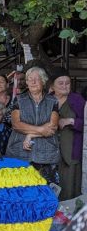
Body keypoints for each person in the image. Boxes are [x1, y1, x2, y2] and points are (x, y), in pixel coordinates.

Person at [6, 67, 59, 185]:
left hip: (46, 154)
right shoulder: (19, 100)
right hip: (20, 152)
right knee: (21, 191)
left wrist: (30, 135)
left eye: (37, 79)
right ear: (27, 82)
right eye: (30, 79)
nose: (33, 82)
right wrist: (40, 129)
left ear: (43, 81)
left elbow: (52, 127)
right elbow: (16, 125)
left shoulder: (53, 101)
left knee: (46, 192)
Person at [49, 67, 85, 200]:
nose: (65, 86)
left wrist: (71, 121)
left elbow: (86, 123)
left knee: (69, 189)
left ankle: (68, 218)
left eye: (67, 83)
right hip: (49, 152)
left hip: (71, 153)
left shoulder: (77, 100)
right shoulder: (47, 99)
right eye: (61, 83)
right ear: (52, 86)